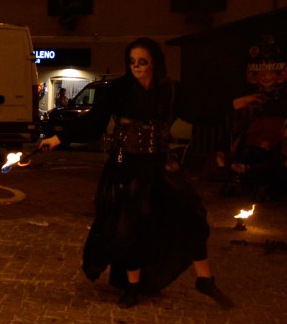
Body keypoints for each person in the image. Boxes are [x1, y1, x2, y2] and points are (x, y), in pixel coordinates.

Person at [38, 37, 248, 309]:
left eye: (142, 62)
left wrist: (233, 104)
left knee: (191, 216)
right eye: (132, 62)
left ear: (155, 63)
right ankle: (132, 286)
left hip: (161, 164)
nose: (136, 67)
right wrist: (58, 139)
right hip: (128, 165)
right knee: (130, 226)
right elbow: (95, 119)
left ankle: (205, 279)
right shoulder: (120, 89)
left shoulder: (170, 90)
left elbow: (199, 110)